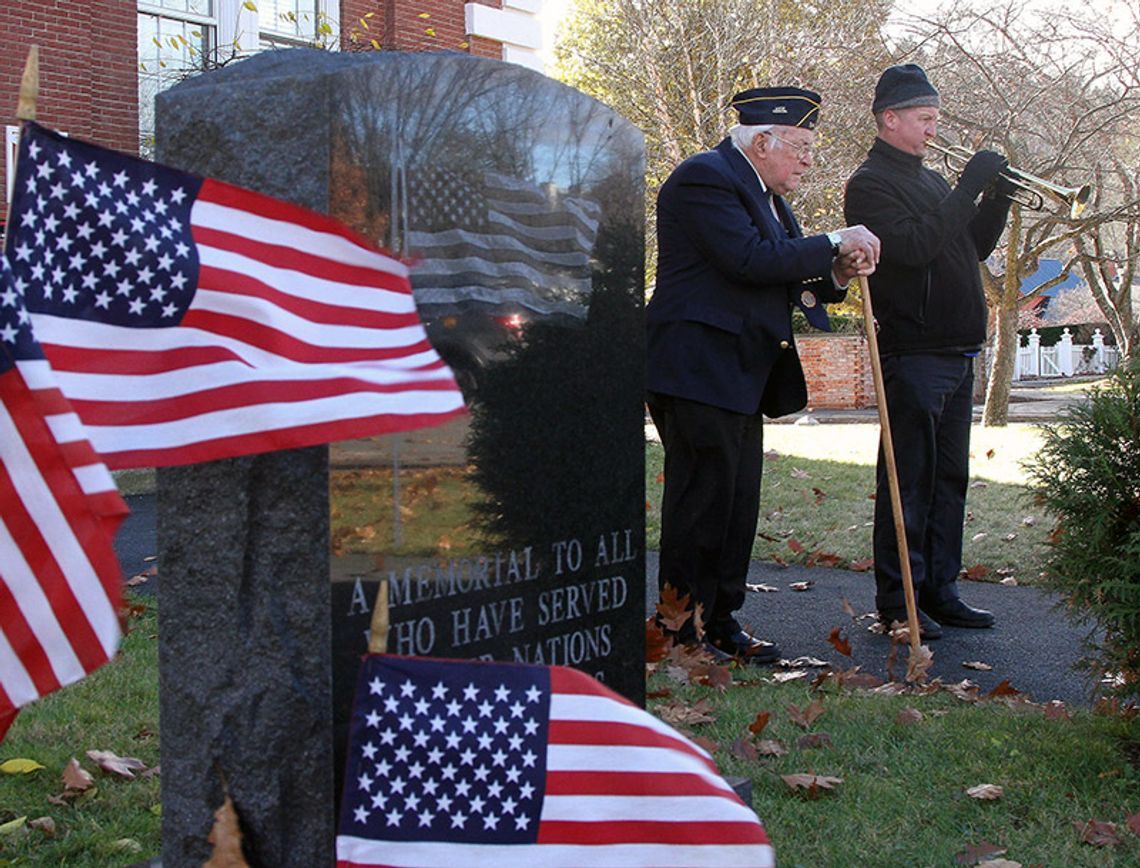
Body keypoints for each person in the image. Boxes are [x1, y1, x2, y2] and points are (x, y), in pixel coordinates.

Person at [647, 86, 880, 664]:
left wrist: (838, 269)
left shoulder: (766, 194)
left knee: (735, 505)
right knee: (700, 505)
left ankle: (721, 621)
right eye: (800, 147)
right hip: (696, 369)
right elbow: (747, 260)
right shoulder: (704, 178)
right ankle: (678, 629)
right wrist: (831, 240)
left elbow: (781, 269)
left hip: (739, 372)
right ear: (760, 141)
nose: (807, 159)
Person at [843, 64, 1013, 639]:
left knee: (948, 481)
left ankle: (940, 590)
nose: (933, 130)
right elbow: (911, 249)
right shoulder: (869, 183)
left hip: (956, 349)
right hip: (914, 352)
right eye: (924, 119)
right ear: (890, 119)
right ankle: (899, 602)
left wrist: (995, 200)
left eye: (935, 119)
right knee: (907, 480)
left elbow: (970, 246)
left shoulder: (931, 180)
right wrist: (967, 187)